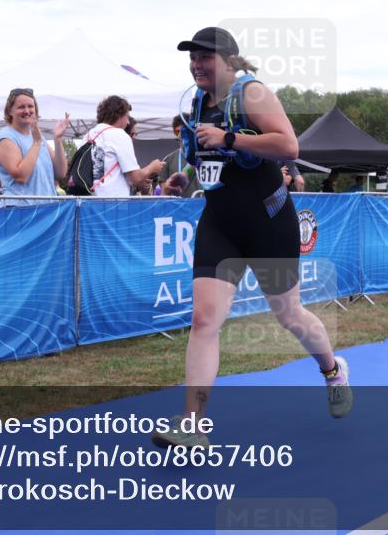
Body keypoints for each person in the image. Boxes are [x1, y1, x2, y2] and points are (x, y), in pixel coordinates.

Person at [151, 27, 352, 449]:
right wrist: (184, 175)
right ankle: (193, 424)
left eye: (204, 57)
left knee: (289, 315)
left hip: (267, 222)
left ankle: (333, 371)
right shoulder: (198, 102)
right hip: (220, 223)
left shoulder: (251, 93)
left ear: (228, 61)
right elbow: (204, 156)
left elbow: (289, 146)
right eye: (192, 58)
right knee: (204, 319)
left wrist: (229, 137)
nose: (196, 64)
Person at [0, 88, 70, 205]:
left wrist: (57, 139)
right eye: (21, 107)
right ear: (9, 111)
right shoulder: (6, 137)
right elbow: (21, 176)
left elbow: (61, 173)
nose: (27, 111)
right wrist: (36, 143)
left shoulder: (39, 137)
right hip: (21, 211)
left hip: (47, 209)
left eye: (30, 106)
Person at [83, 95, 164, 197]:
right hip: (114, 201)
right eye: (127, 116)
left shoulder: (88, 135)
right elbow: (135, 178)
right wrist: (152, 167)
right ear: (119, 115)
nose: (128, 122)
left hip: (88, 199)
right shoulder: (119, 134)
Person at [157, 115, 201, 197]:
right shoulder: (168, 159)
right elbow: (164, 191)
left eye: (184, 131)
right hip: (177, 204)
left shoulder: (204, 155)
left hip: (201, 203)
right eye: (178, 131)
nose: (181, 135)